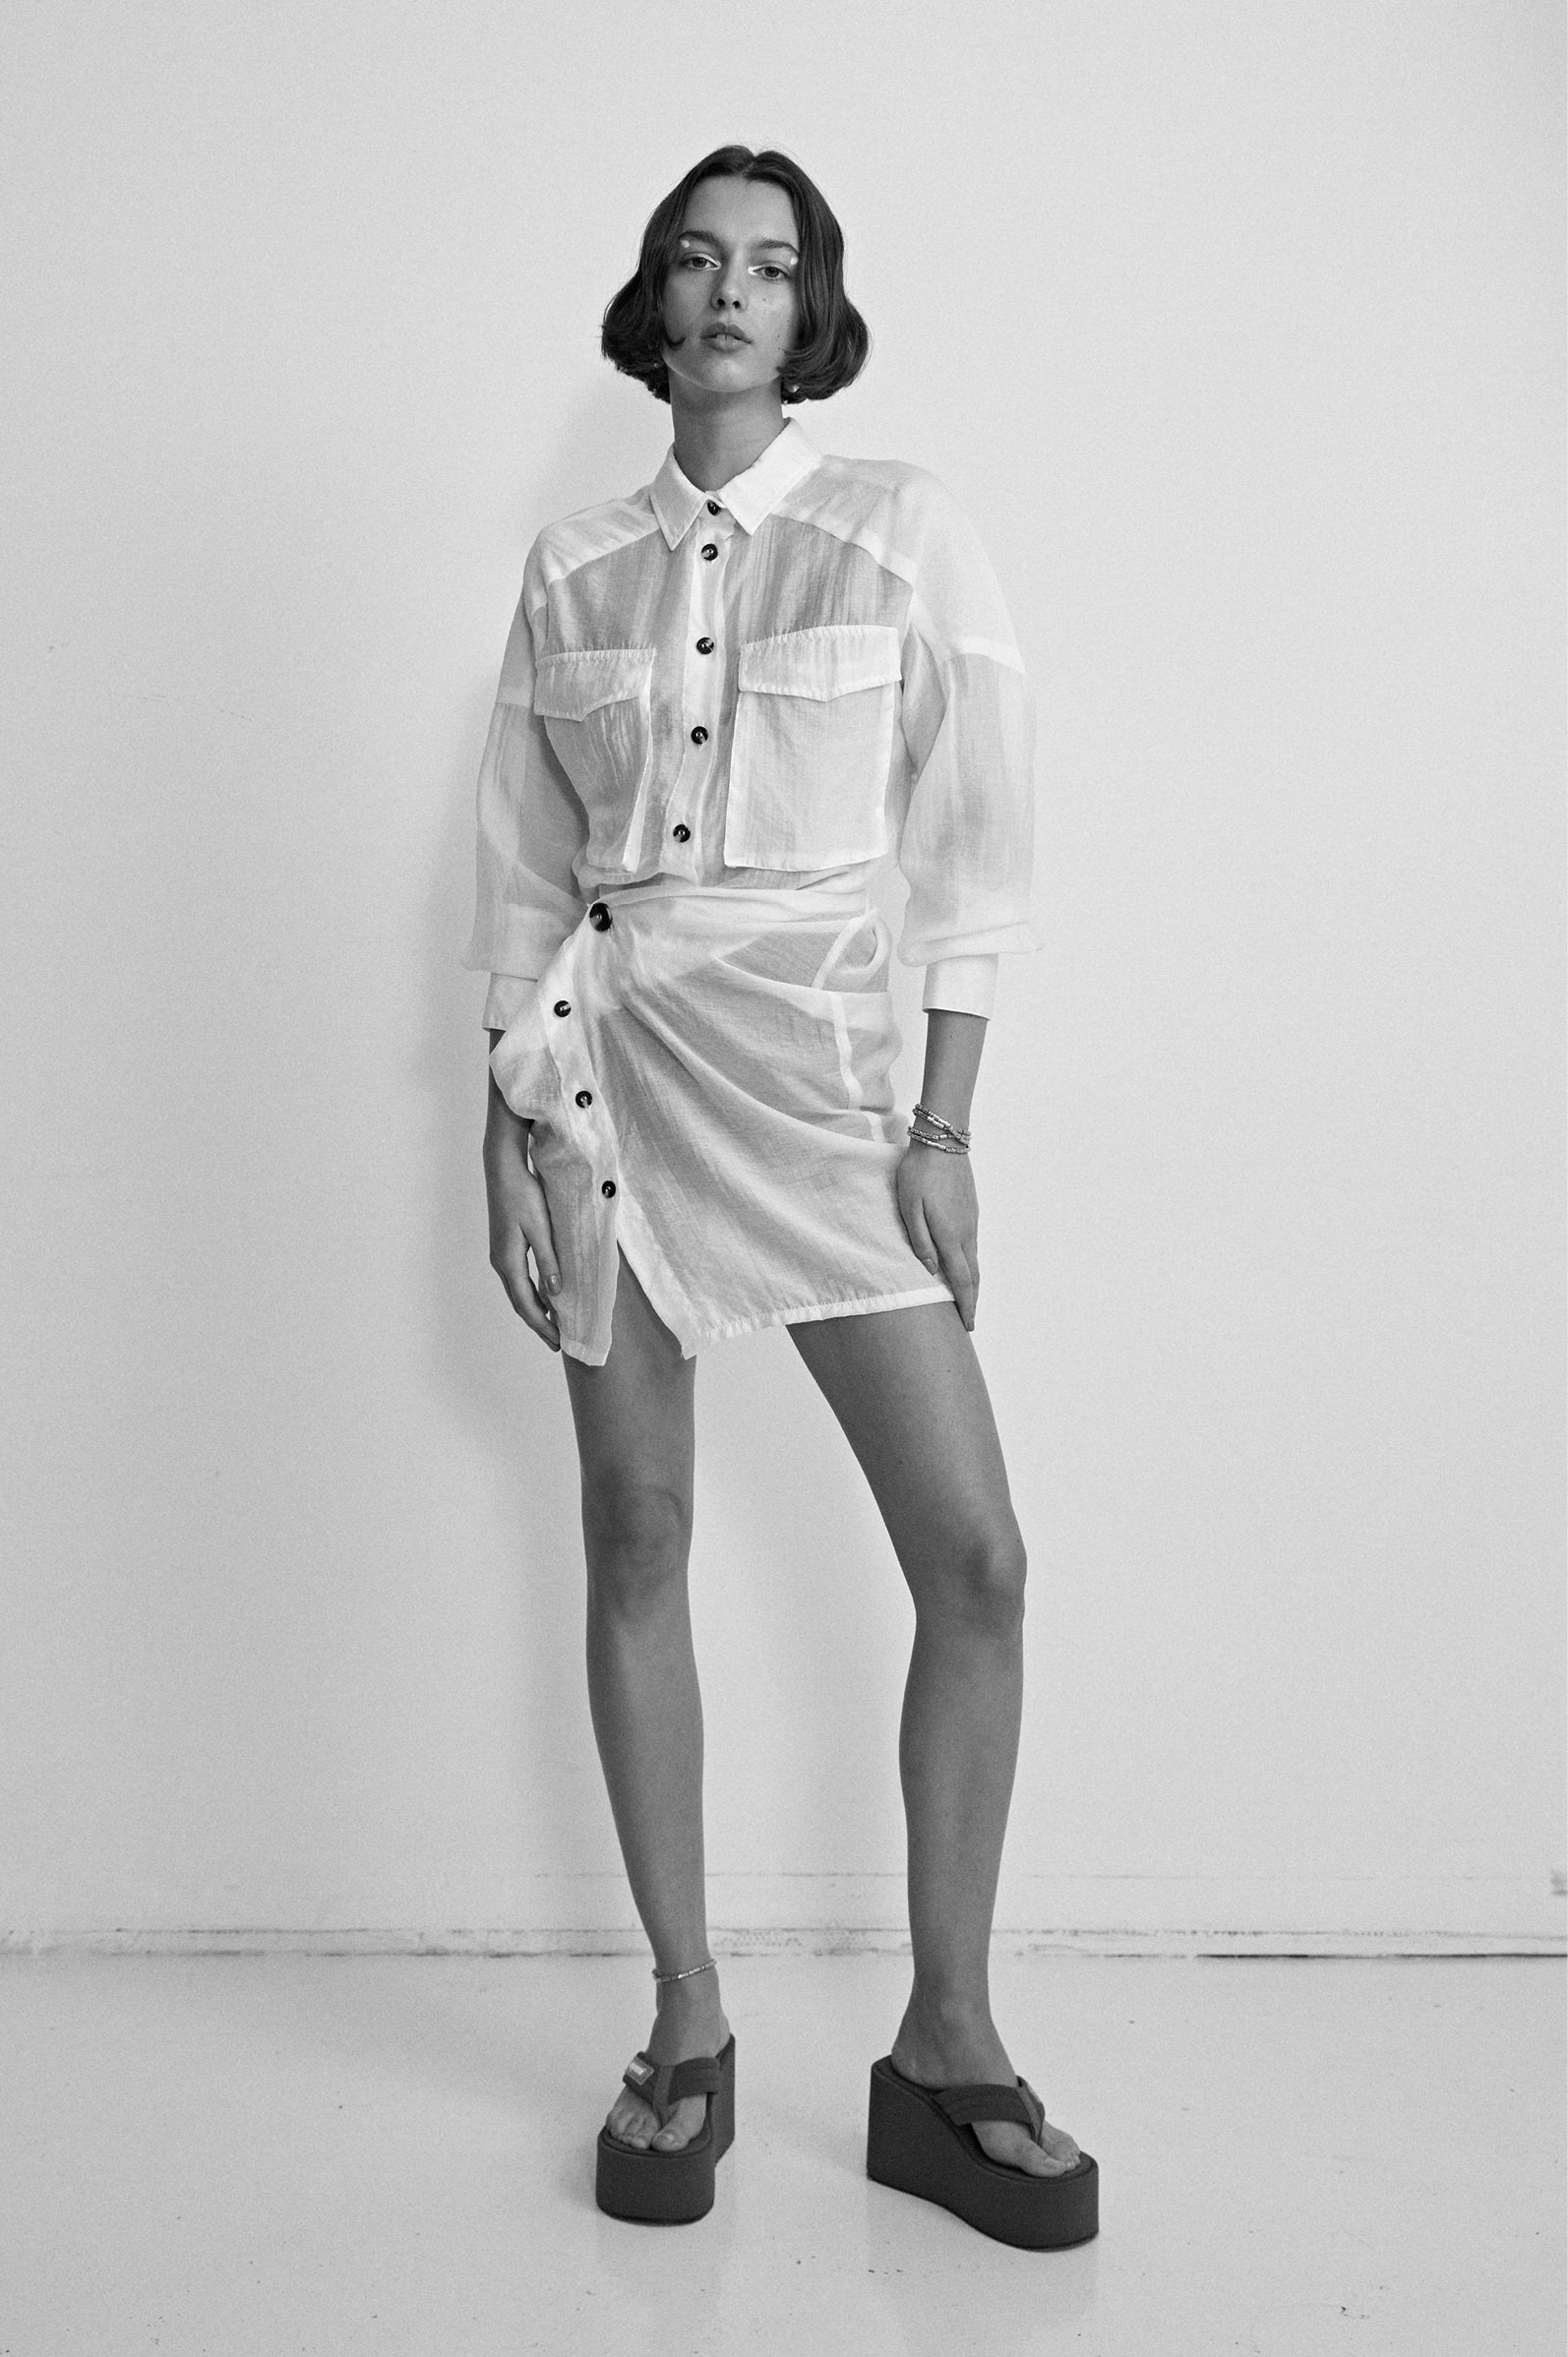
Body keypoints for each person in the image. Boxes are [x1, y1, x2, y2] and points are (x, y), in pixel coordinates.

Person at [467, 144, 1097, 2248]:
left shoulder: (902, 527)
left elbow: (976, 853)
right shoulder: (573, 566)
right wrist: (499, 1124)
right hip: (605, 1080)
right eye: (694, 257)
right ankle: (684, 2024)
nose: (729, 289)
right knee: (636, 1528)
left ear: (810, 310)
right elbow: (521, 876)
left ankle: (948, 2043)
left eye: (770, 263)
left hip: (825, 1091)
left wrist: (944, 1130)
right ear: (653, 304)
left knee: (976, 1559)